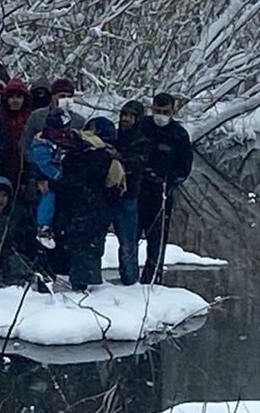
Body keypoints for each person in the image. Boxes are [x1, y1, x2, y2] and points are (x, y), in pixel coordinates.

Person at [53, 120, 125, 291]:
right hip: (94, 208)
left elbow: (65, 181)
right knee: (88, 247)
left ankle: (74, 280)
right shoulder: (108, 158)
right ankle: (83, 281)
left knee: (74, 244)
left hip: (76, 207)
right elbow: (115, 187)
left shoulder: (73, 155)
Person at [138, 93, 193, 284]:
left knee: (157, 239)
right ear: (151, 109)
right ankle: (127, 277)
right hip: (137, 191)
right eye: (157, 111)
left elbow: (185, 166)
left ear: (173, 111)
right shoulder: (142, 126)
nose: (161, 115)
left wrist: (171, 181)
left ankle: (153, 278)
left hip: (162, 193)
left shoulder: (179, 134)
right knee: (130, 238)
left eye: (165, 112)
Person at [112, 100, 151, 285]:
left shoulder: (142, 140)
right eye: (123, 115)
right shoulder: (113, 136)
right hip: (107, 196)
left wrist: (117, 158)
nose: (126, 119)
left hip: (128, 197)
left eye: (130, 116)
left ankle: (129, 280)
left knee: (128, 242)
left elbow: (134, 163)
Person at [30, 109, 76, 249]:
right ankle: (44, 227)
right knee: (48, 196)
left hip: (68, 184)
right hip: (48, 181)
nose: (63, 132)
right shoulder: (42, 145)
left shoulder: (69, 141)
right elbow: (44, 163)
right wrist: (58, 176)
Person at [20, 78, 87, 162]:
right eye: (62, 96)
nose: (66, 100)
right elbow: (25, 143)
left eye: (69, 97)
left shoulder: (79, 121)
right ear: (52, 97)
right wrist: (34, 161)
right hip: (39, 167)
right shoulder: (37, 116)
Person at [0, 78, 33, 183]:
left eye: (19, 96)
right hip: (2, 166)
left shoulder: (30, 118)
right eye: (11, 97)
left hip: (25, 167)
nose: (15, 100)